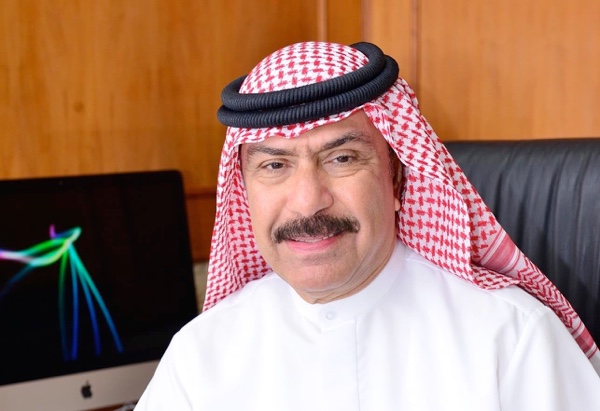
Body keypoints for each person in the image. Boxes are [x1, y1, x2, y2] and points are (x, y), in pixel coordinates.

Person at [135, 41, 600, 410]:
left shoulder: (510, 336)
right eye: (274, 166)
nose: (307, 202)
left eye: (341, 159)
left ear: (397, 180)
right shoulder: (202, 354)